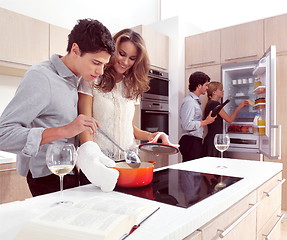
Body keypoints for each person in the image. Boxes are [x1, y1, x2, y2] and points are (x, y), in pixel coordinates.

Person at [0, 19, 118, 197]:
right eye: (96, 62)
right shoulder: (41, 77)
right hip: (47, 175)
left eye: (104, 64)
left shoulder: (78, 80)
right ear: (75, 50)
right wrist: (66, 130)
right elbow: (3, 134)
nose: (100, 71)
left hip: (70, 169)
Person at [78, 28, 170, 184]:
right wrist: (92, 162)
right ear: (112, 49)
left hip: (129, 165)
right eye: (121, 54)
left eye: (132, 58)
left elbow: (130, 128)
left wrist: (152, 136)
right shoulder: (92, 78)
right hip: (100, 165)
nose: (125, 62)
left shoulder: (132, 86)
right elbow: (85, 127)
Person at [203, 81, 249, 157]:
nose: (223, 91)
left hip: (211, 140)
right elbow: (230, 120)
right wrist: (239, 107)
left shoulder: (210, 103)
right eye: (221, 89)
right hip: (215, 141)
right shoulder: (215, 104)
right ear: (214, 92)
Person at [179, 71, 216, 162]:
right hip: (190, 142)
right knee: (191, 173)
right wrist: (205, 122)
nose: (207, 88)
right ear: (199, 86)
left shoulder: (195, 101)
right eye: (206, 85)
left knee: (194, 173)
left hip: (194, 141)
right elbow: (187, 125)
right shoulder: (190, 102)